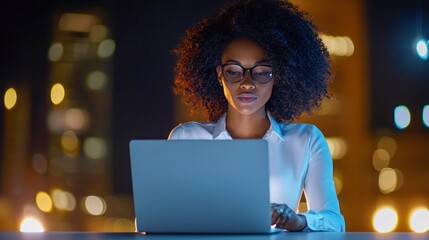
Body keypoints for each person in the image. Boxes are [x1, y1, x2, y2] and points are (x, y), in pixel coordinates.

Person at [168, 0, 345, 232]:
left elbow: (334, 222)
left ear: (278, 75)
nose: (247, 84)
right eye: (234, 72)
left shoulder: (307, 140)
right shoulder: (187, 138)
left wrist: (298, 220)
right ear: (219, 75)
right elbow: (155, 219)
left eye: (261, 73)